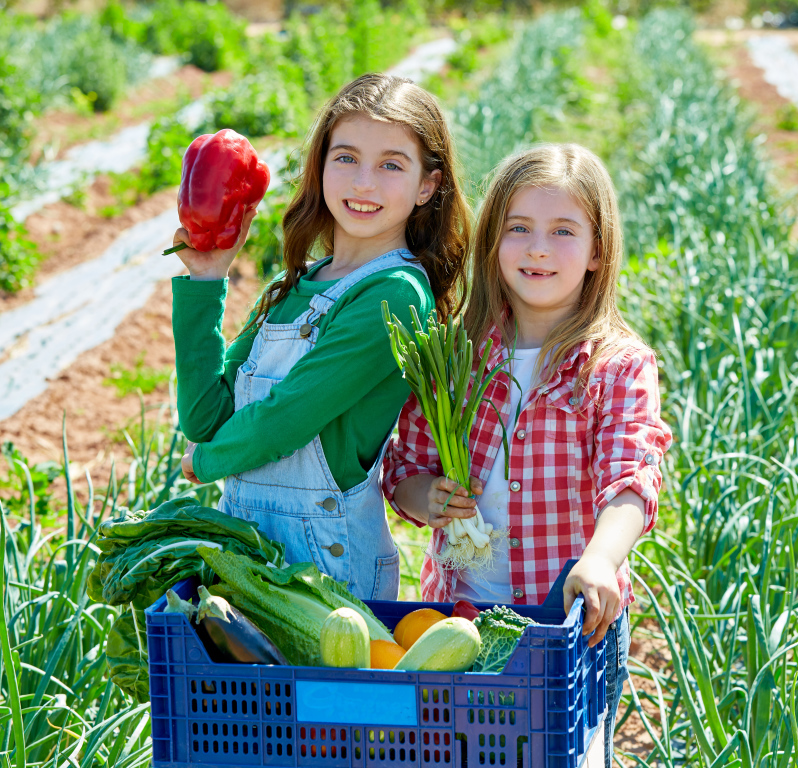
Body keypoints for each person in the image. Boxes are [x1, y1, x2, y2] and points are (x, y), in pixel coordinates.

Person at [383, 143, 672, 766]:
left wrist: (599, 560)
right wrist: (422, 495)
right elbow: (405, 464)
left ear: (597, 251)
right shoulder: (457, 350)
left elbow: (631, 477)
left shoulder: (614, 365)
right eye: (519, 229)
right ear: (494, 243)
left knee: (558, 752)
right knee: (459, 750)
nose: (538, 248)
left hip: (565, 623)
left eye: (563, 231)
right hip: (461, 612)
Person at [168, 73, 471, 601]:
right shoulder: (294, 285)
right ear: (321, 164)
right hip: (250, 559)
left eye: (391, 165)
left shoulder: (396, 296)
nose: (363, 183)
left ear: (428, 185)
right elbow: (205, 418)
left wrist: (207, 460)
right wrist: (205, 281)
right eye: (346, 157)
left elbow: (286, 418)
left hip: (331, 567)